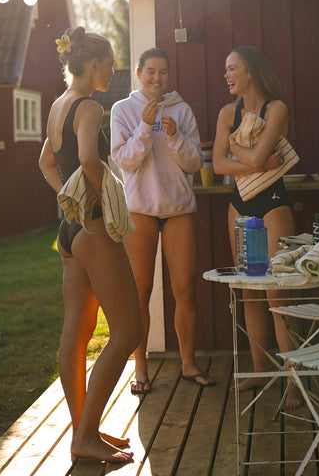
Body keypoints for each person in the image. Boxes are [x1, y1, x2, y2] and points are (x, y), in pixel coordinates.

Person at [38, 27, 142, 465]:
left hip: (69, 232)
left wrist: (68, 198)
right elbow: (86, 158)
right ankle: (85, 435)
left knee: (76, 332)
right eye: (111, 61)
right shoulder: (90, 108)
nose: (114, 68)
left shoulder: (59, 105)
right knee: (128, 331)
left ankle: (86, 431)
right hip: (94, 229)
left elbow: (45, 160)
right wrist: (106, 202)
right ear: (94, 64)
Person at [110, 48, 215, 394]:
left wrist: (174, 135)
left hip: (178, 209)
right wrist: (144, 126)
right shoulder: (123, 110)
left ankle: (187, 364)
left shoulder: (181, 110)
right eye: (151, 72)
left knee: (184, 290)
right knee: (140, 292)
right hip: (140, 208)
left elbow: (193, 163)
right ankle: (140, 367)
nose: (158, 78)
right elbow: (124, 161)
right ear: (139, 73)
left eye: (164, 72)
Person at [212, 45, 300, 407]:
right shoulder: (226, 113)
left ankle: (294, 377)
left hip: (273, 205)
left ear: (251, 71)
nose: (227, 75)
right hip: (239, 205)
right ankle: (259, 370)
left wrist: (244, 156)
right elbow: (218, 163)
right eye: (226, 69)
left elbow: (253, 156)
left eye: (232, 68)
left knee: (277, 293)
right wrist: (256, 164)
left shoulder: (275, 108)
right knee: (249, 291)